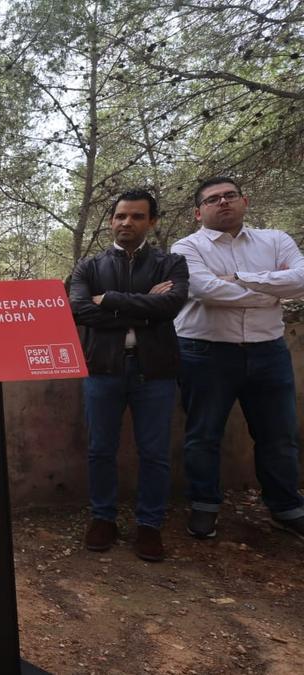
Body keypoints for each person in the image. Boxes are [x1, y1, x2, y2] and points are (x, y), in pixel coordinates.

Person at [172, 176, 304, 540]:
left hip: (269, 350)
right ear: (199, 212)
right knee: (203, 434)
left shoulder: (275, 239)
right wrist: (271, 289)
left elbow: (302, 279)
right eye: (213, 199)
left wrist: (241, 278)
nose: (224, 202)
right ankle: (204, 505)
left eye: (230, 196)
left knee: (278, 435)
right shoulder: (186, 246)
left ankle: (285, 507)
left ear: (244, 201)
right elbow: (205, 290)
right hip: (205, 351)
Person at [69, 189, 189, 562]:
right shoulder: (88, 267)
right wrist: (145, 306)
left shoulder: (172, 264)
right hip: (102, 368)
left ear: (151, 222)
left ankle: (149, 525)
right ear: (111, 221)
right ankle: (102, 517)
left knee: (154, 453)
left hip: (155, 371)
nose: (127, 223)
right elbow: (77, 310)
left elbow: (170, 305)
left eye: (137, 216)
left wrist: (111, 300)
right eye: (121, 216)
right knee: (99, 449)